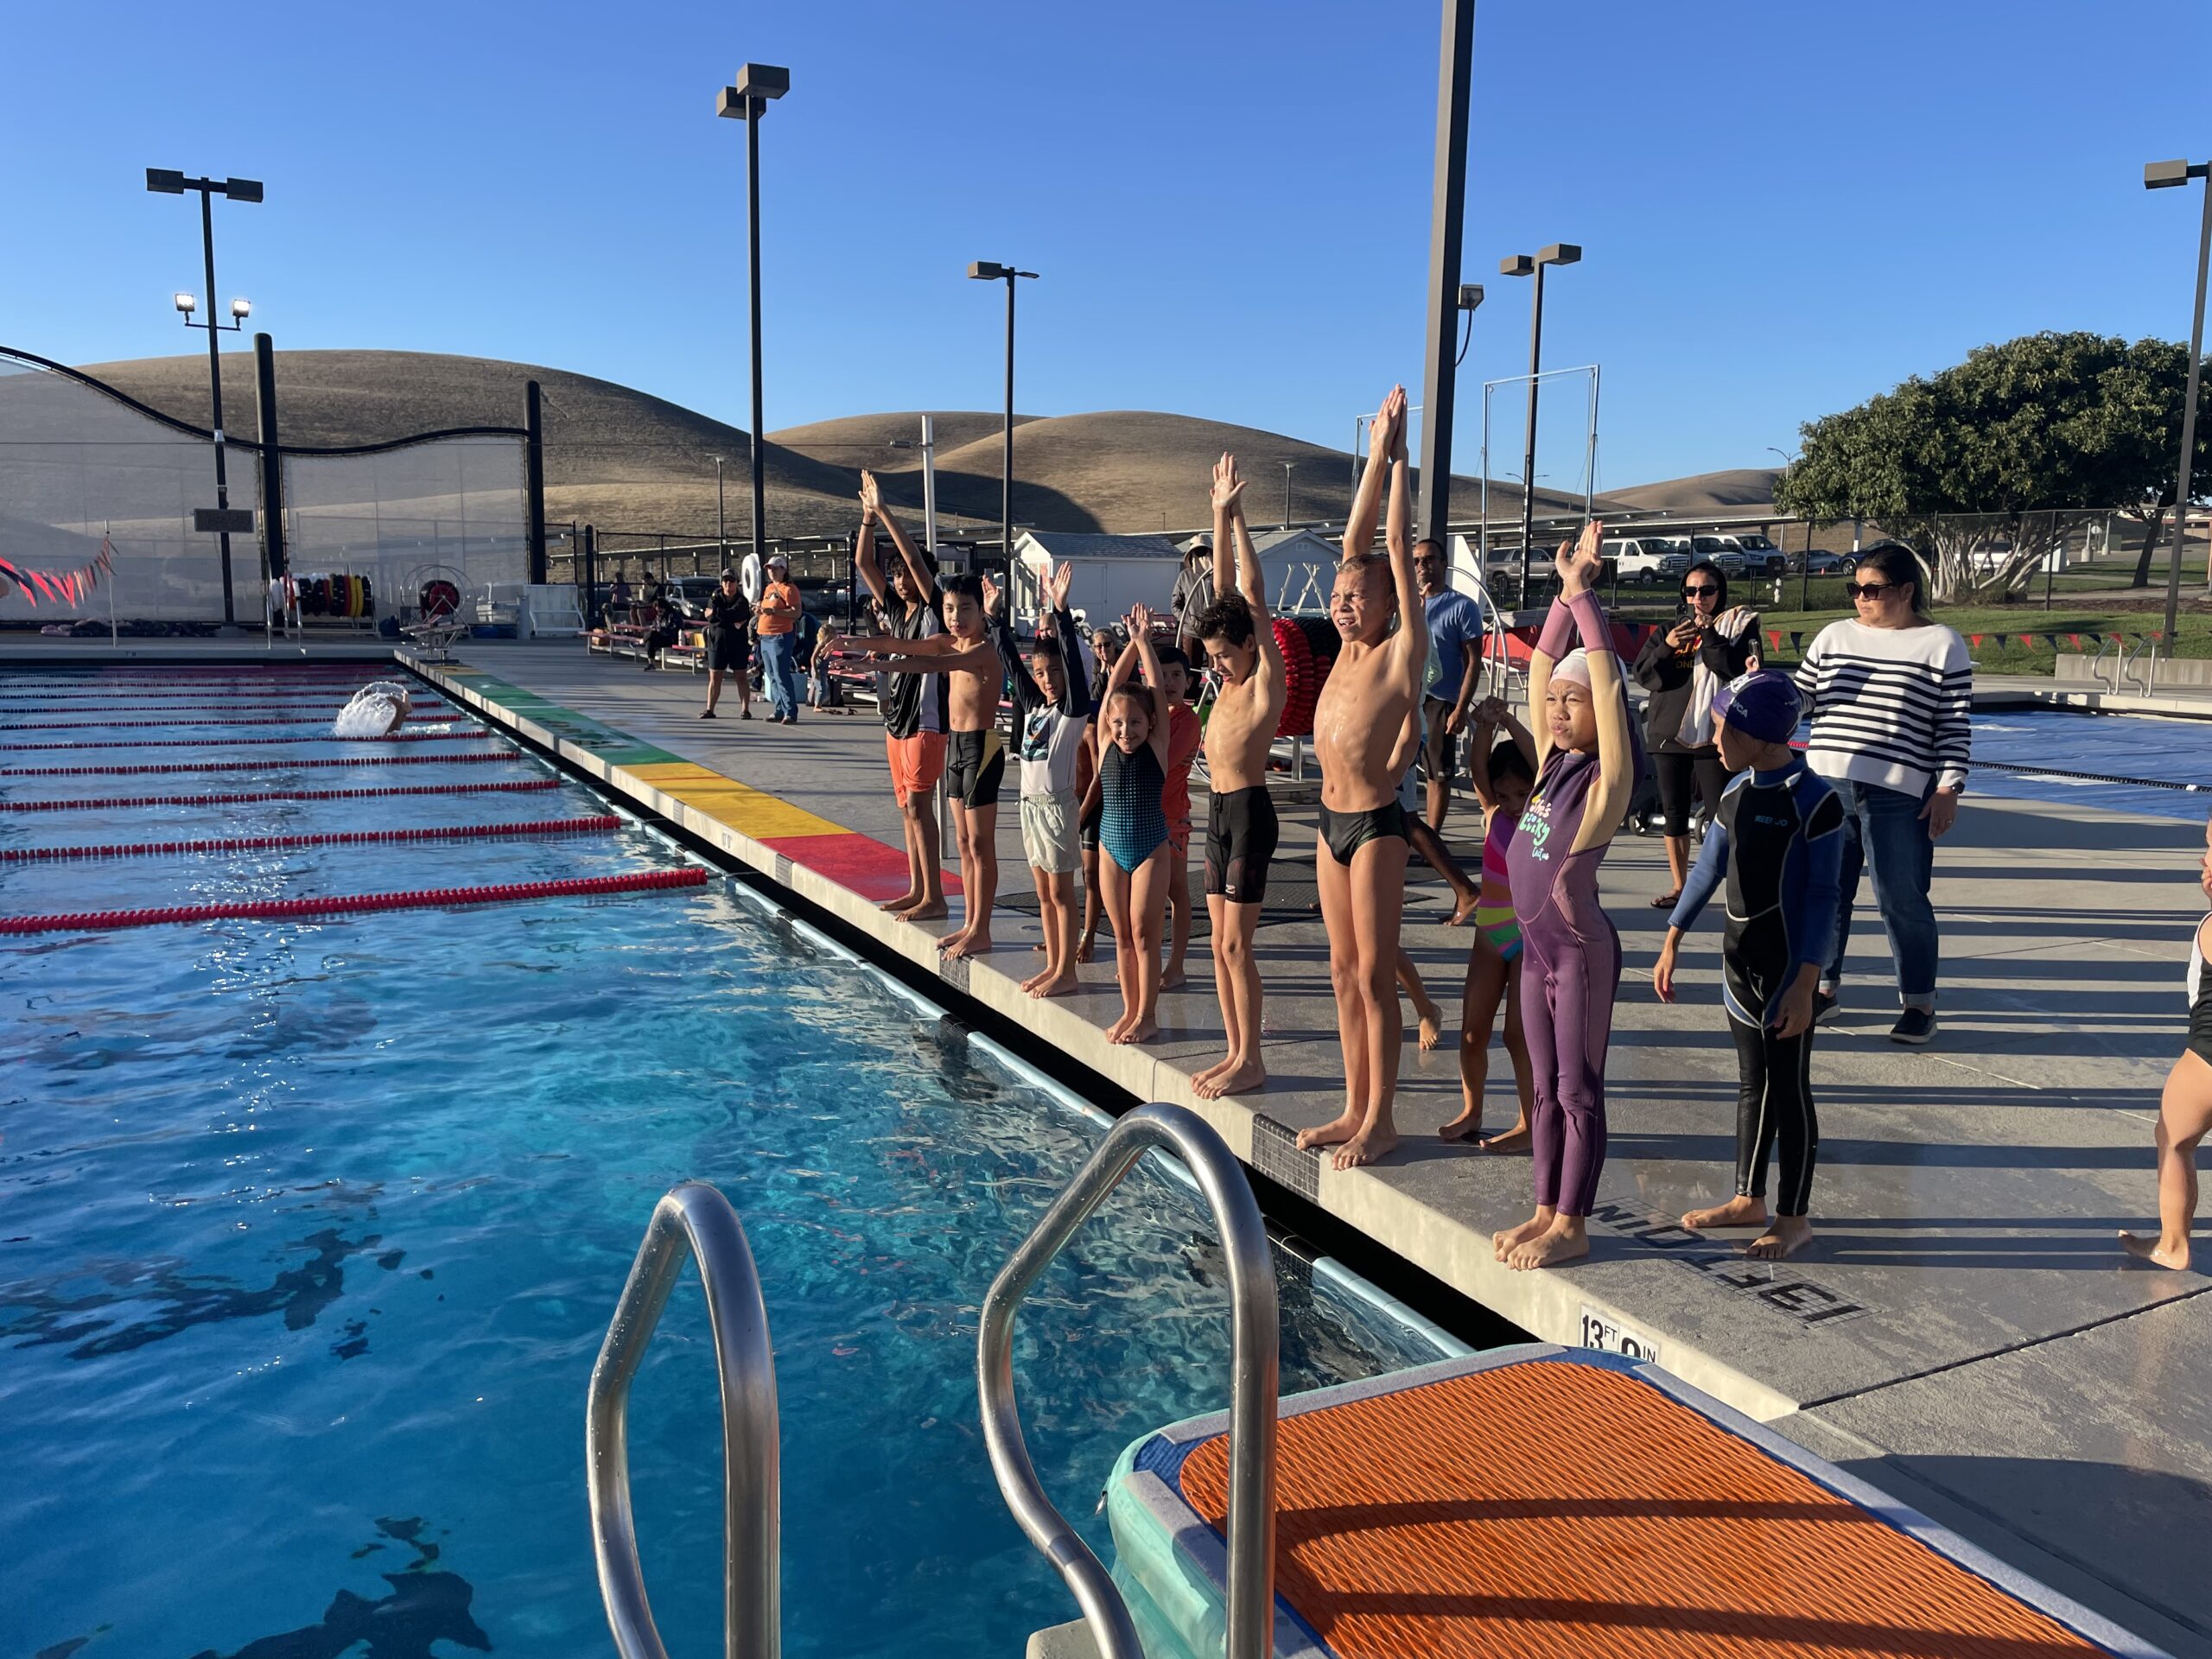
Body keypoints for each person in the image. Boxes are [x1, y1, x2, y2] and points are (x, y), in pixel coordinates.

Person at [1654, 671, 1845, 1261]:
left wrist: (1808, 983)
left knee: (1790, 1089)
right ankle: (1748, 1198)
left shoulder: (1817, 801)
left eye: (1721, 729)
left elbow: (1823, 898)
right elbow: (1708, 871)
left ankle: (1793, 1216)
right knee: (1750, 1084)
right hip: (1739, 964)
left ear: (1762, 737)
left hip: (1790, 971)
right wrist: (1672, 938)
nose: (1713, 739)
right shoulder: (1736, 793)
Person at [1493, 519, 1642, 1271]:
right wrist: (1564, 589)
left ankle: (1575, 1222)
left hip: (1580, 952)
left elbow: (1606, 688)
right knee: (1544, 1093)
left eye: (1570, 703)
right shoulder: (1550, 763)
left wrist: (1588, 603)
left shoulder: (1606, 779)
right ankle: (1546, 1208)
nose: (1555, 709)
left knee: (1579, 1088)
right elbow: (1544, 659)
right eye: (1552, 702)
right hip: (1535, 955)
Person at [1295, 385, 1426, 1171]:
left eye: (1357, 596)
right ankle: (1353, 1105)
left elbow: (1389, 536)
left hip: (1376, 824)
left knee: (1377, 975)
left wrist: (1400, 460)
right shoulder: (1344, 648)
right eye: (1339, 596)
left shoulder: (1398, 651)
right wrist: (1371, 457)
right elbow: (1353, 536)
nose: (1343, 606)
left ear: (1389, 603)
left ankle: (1384, 1118)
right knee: (1342, 971)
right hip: (1328, 825)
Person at [1794, 543, 1970, 1046]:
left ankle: (1919, 1003)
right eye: (1855, 589)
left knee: (1903, 899)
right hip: (1826, 785)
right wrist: (1762, 685)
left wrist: (1948, 787)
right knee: (1825, 893)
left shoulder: (1941, 643)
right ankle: (1822, 990)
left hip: (1899, 793)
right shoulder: (1832, 636)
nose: (1860, 599)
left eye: (1872, 590)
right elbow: (1803, 697)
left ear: (1907, 590)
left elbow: (1953, 723)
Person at [833, 569, 1006, 960]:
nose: (956, 616)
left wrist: (878, 668)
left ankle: (982, 929)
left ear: (982, 613)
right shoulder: (948, 641)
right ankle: (969, 923)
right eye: (949, 608)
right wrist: (854, 640)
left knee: (981, 844)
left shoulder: (982, 650)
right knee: (962, 843)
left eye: (965, 608)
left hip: (982, 748)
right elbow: (902, 643)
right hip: (957, 748)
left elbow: (929, 667)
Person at [1190, 454, 1287, 1099]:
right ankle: (1233, 1051)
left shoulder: (1262, 681)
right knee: (1219, 946)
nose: (1218, 666)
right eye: (1213, 657)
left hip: (1250, 814)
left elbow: (1249, 595)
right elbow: (1224, 593)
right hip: (1217, 815)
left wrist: (1241, 517)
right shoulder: (1226, 682)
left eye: (1225, 655)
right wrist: (1216, 515)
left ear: (1250, 646)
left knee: (1237, 947)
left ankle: (1251, 1057)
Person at [1632, 561, 1759, 907]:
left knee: (1723, 812)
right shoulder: (1668, 630)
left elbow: (1735, 670)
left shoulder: (1739, 627)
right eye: (1691, 591)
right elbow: (1643, 674)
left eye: (1706, 590)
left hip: (1716, 733)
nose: (1698, 598)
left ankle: (1733, 883)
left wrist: (1710, 635)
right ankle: (1680, 885)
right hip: (1669, 733)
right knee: (1674, 811)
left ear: (1720, 593)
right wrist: (1668, 646)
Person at [851, 473, 947, 924]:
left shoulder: (934, 609)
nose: (900, 579)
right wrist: (867, 519)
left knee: (918, 807)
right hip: (897, 721)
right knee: (907, 811)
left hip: (927, 722)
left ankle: (935, 896)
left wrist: (886, 512)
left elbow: (913, 558)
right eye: (896, 576)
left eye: (906, 573)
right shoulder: (896, 609)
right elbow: (864, 566)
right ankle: (917, 888)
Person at [1442, 698, 1537, 1147]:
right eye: (1505, 795)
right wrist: (1485, 726)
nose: (1513, 803)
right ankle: (1471, 1110)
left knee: (1517, 1035)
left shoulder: (1543, 817)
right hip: (1490, 936)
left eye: (1522, 794)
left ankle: (1529, 1124)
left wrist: (1511, 722)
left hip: (1529, 941)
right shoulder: (1493, 814)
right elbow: (1480, 767)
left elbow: (1540, 762)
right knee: (1472, 1030)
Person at [2120, 812, 2212, 1272]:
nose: (2203, 858)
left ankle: (2173, 1245)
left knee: (2174, 1141)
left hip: (2206, 1062)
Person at [999, 556, 1090, 998]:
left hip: (1055, 808)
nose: (1048, 680)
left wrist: (1061, 614)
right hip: (1029, 808)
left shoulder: (1070, 714)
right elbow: (1014, 669)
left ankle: (1066, 971)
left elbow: (1073, 671)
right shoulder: (1034, 708)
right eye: (1042, 674)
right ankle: (1055, 964)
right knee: (1042, 895)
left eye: (1053, 673)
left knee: (1061, 893)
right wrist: (997, 620)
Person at [1095, 603, 1177, 1044]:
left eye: (1136, 723)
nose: (1127, 730)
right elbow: (1112, 689)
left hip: (1149, 847)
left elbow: (1159, 695)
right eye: (1120, 723)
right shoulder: (1106, 741)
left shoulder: (1157, 746)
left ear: (1150, 726)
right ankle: (1130, 1010)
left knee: (1146, 934)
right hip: (1110, 846)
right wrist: (1126, 646)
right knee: (1122, 936)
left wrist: (1144, 643)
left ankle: (1149, 1015)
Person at [1414, 540, 1485, 834]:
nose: (1422, 566)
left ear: (1444, 563)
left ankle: (1433, 838)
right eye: (1417, 560)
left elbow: (1474, 660)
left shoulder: (1462, 607)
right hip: (1407, 696)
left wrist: (1458, 709)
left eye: (1429, 559)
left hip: (1440, 700)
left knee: (1437, 773)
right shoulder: (1404, 605)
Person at [755, 555, 804, 722]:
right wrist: (760, 611)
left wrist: (775, 612)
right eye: (769, 568)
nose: (771, 571)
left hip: (780, 636)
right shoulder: (769, 589)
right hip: (765, 637)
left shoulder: (789, 589)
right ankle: (779, 708)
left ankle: (790, 711)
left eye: (775, 568)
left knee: (781, 674)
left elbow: (796, 612)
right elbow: (767, 607)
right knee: (771, 675)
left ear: (784, 570)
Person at [699, 569, 753, 720]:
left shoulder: (742, 600)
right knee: (715, 677)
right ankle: (710, 709)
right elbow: (709, 618)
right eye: (725, 581)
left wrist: (717, 613)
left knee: (741, 676)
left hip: (737, 644)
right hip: (717, 643)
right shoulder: (715, 597)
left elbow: (736, 614)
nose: (728, 583)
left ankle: (745, 710)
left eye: (732, 580)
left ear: (737, 582)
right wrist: (729, 618)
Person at [1171, 540, 1216, 663]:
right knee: (1190, 671)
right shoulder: (1185, 576)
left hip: (1213, 633)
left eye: (1204, 553)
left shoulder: (1219, 577)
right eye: (1197, 553)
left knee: (1217, 671)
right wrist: (1190, 620)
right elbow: (1175, 606)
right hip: (1190, 633)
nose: (1201, 558)